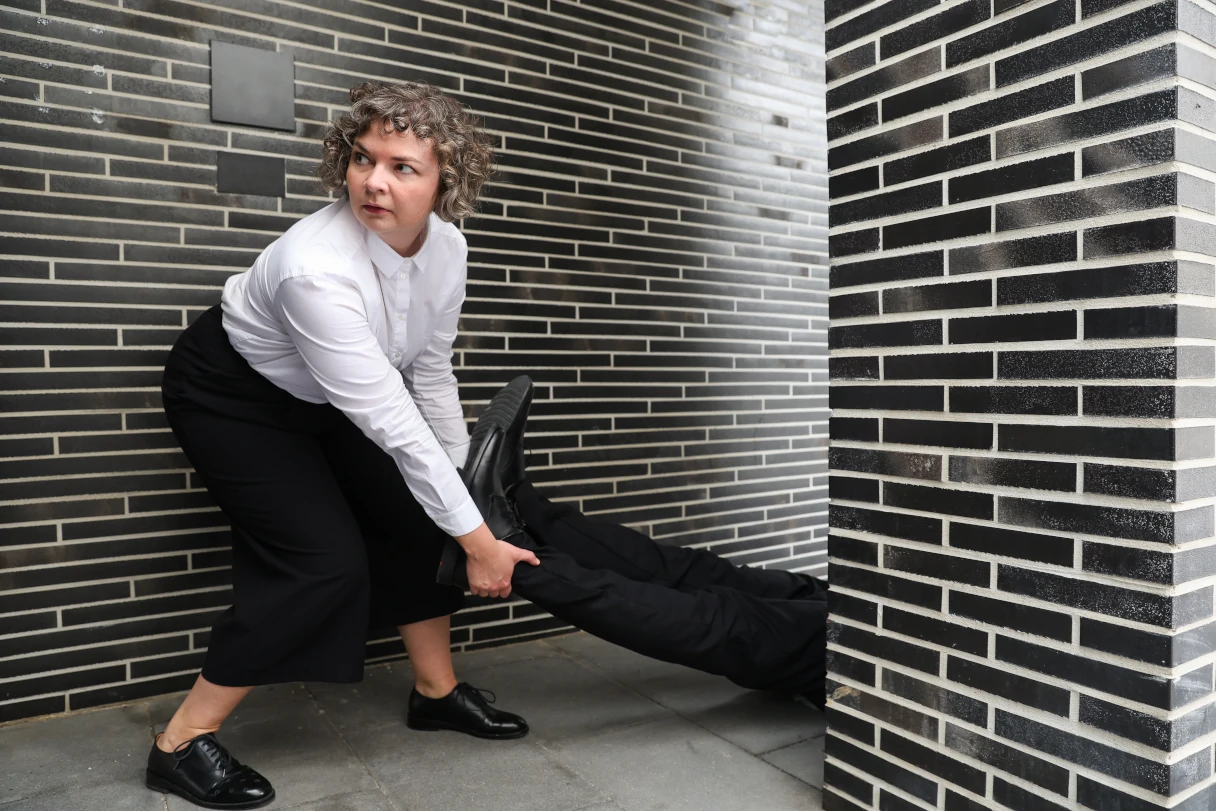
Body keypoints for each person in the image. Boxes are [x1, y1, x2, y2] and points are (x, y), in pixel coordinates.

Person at [148, 81, 539, 810]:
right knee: (321, 563)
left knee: (416, 515)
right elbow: (391, 419)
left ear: (446, 181)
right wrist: (479, 540)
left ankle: (437, 691)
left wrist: (466, 489)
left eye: (402, 167)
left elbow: (428, 369)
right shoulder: (314, 268)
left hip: (334, 392)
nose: (374, 181)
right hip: (235, 396)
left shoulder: (448, 248)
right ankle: (178, 742)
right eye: (363, 159)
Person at [443, 377, 829, 707]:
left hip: (865, 654)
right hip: (854, 606)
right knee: (706, 572)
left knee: (730, 619)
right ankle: (521, 504)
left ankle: (505, 553)